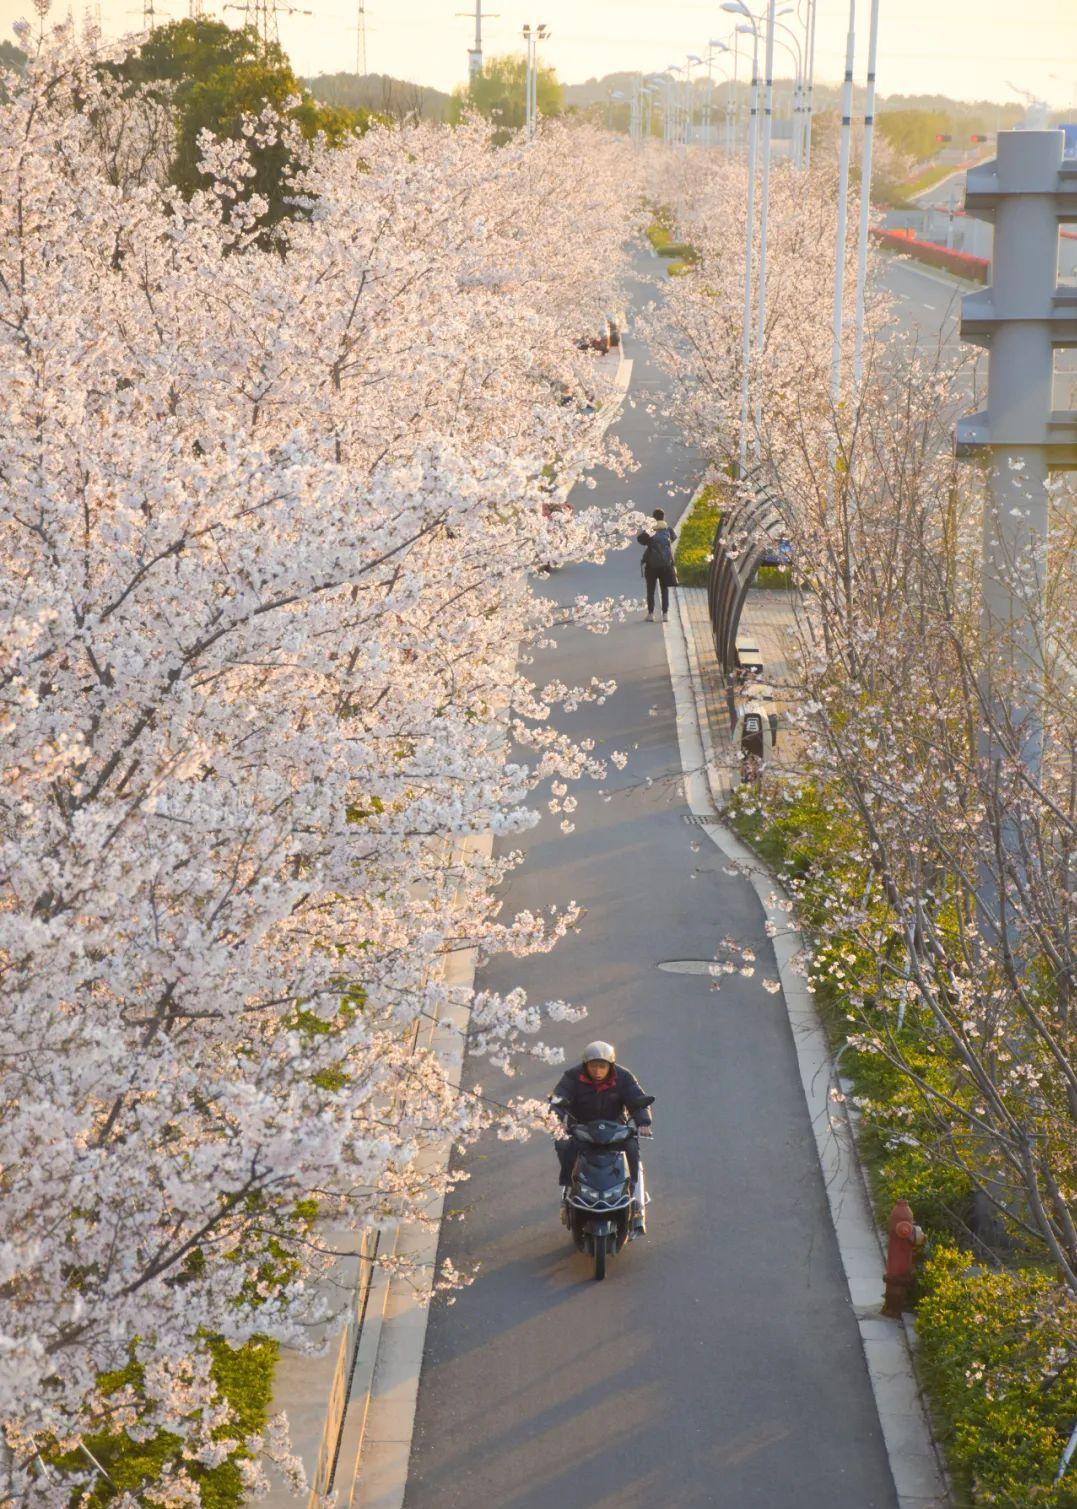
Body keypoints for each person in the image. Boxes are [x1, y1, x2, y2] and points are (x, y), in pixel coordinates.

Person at [550, 1040, 653, 1229]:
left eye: (602, 1066)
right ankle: (568, 1190)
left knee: (632, 1149)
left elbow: (637, 1099)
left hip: (616, 1130)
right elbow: (558, 1099)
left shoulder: (624, 1077)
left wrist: (643, 1122)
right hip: (582, 1129)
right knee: (563, 1144)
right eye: (593, 1066)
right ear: (585, 1065)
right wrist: (556, 1121)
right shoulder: (572, 1077)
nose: (597, 1071)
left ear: (610, 1066)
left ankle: (635, 1198)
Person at [636, 509, 677, 622]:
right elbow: (673, 538)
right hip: (665, 564)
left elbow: (640, 540)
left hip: (651, 565)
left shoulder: (650, 530)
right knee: (664, 590)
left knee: (651, 590)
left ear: (653, 518)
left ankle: (651, 614)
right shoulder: (668, 529)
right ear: (663, 517)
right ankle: (665, 614)